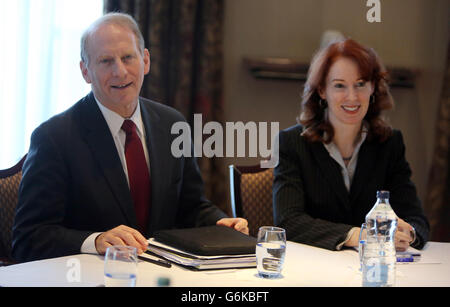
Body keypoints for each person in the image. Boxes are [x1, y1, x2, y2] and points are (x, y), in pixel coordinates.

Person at [12, 13, 248, 262]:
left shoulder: (173, 124)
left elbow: (190, 207)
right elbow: (29, 239)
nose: (120, 71)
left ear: (145, 61)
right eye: (105, 61)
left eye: (127, 58)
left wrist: (218, 223)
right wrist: (95, 240)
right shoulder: (54, 138)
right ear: (85, 71)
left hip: (161, 275)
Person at [273, 38, 429, 251]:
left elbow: (416, 218)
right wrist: (358, 235)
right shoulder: (291, 143)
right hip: (315, 270)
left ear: (373, 87)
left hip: (375, 270)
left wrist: (408, 233)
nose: (352, 97)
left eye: (360, 84)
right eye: (339, 85)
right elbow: (288, 221)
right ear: (321, 90)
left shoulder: (390, 143)